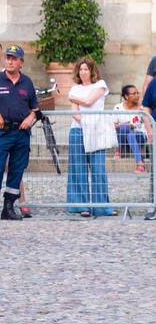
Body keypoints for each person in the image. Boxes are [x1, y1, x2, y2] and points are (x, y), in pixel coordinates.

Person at [0, 44, 37, 221]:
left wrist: (30, 118)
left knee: (17, 169)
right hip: (2, 132)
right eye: (8, 58)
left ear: (21, 63)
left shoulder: (27, 82)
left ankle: (9, 207)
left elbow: (35, 108)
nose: (10, 61)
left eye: (14, 59)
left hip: (21, 133)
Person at [65, 57, 113, 217]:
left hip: (96, 131)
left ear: (92, 71)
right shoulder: (75, 88)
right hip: (78, 130)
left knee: (99, 170)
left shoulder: (100, 85)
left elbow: (88, 101)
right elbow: (75, 112)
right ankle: (81, 206)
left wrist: (73, 98)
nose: (83, 72)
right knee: (78, 170)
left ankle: (102, 207)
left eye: (86, 69)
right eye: (81, 69)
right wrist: (84, 121)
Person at [114, 84, 148, 173]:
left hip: (140, 136)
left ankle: (140, 163)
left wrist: (125, 124)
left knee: (130, 134)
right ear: (126, 96)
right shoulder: (118, 108)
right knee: (125, 129)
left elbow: (145, 124)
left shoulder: (142, 108)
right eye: (133, 94)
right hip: (123, 137)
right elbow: (113, 126)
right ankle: (120, 148)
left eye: (137, 93)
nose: (137, 95)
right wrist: (127, 124)